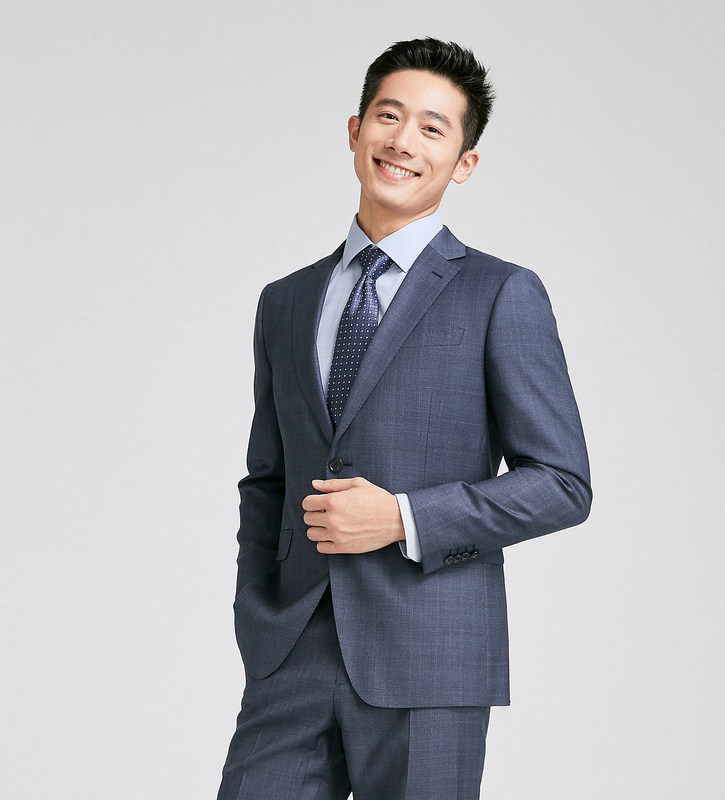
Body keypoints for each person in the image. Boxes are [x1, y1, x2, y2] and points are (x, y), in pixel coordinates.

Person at [218, 37, 591, 800]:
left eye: (432, 128)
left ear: (464, 162)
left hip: (429, 656)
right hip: (290, 648)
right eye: (389, 117)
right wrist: (257, 613)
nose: (403, 141)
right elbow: (268, 478)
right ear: (356, 130)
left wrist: (401, 518)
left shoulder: (500, 294)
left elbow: (562, 483)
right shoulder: (285, 300)